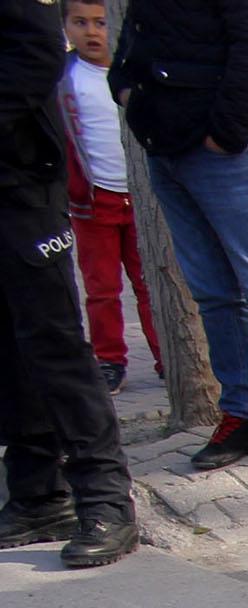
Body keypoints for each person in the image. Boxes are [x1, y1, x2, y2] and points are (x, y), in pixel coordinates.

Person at [108, 0, 248, 476]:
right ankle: (246, 417)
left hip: (236, 149)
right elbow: (135, 41)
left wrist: (226, 133)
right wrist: (128, 91)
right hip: (168, 150)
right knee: (213, 294)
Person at [2, 0, 135, 563]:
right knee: (8, 348)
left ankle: (105, 498)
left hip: (19, 186)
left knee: (53, 342)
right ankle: (36, 494)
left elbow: (34, 53)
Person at [57, 0, 159, 390]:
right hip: (93, 201)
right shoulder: (63, 77)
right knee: (101, 288)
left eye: (100, 22)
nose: (91, 32)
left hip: (142, 198)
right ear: (65, 26)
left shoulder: (133, 68)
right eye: (79, 22)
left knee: (151, 282)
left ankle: (165, 353)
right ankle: (109, 360)